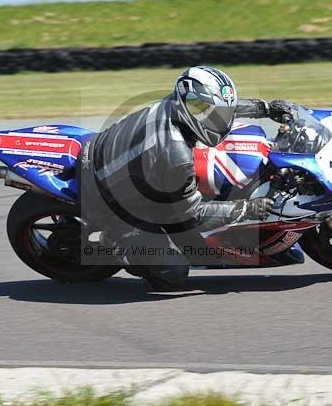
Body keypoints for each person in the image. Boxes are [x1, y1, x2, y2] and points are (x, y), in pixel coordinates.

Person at [79, 65, 294, 290]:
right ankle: (115, 242)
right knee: (173, 273)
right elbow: (192, 213)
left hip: (109, 154)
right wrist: (245, 208)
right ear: (188, 105)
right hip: (109, 199)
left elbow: (216, 108)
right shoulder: (176, 155)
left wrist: (265, 108)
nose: (219, 121)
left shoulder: (176, 102)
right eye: (210, 113)